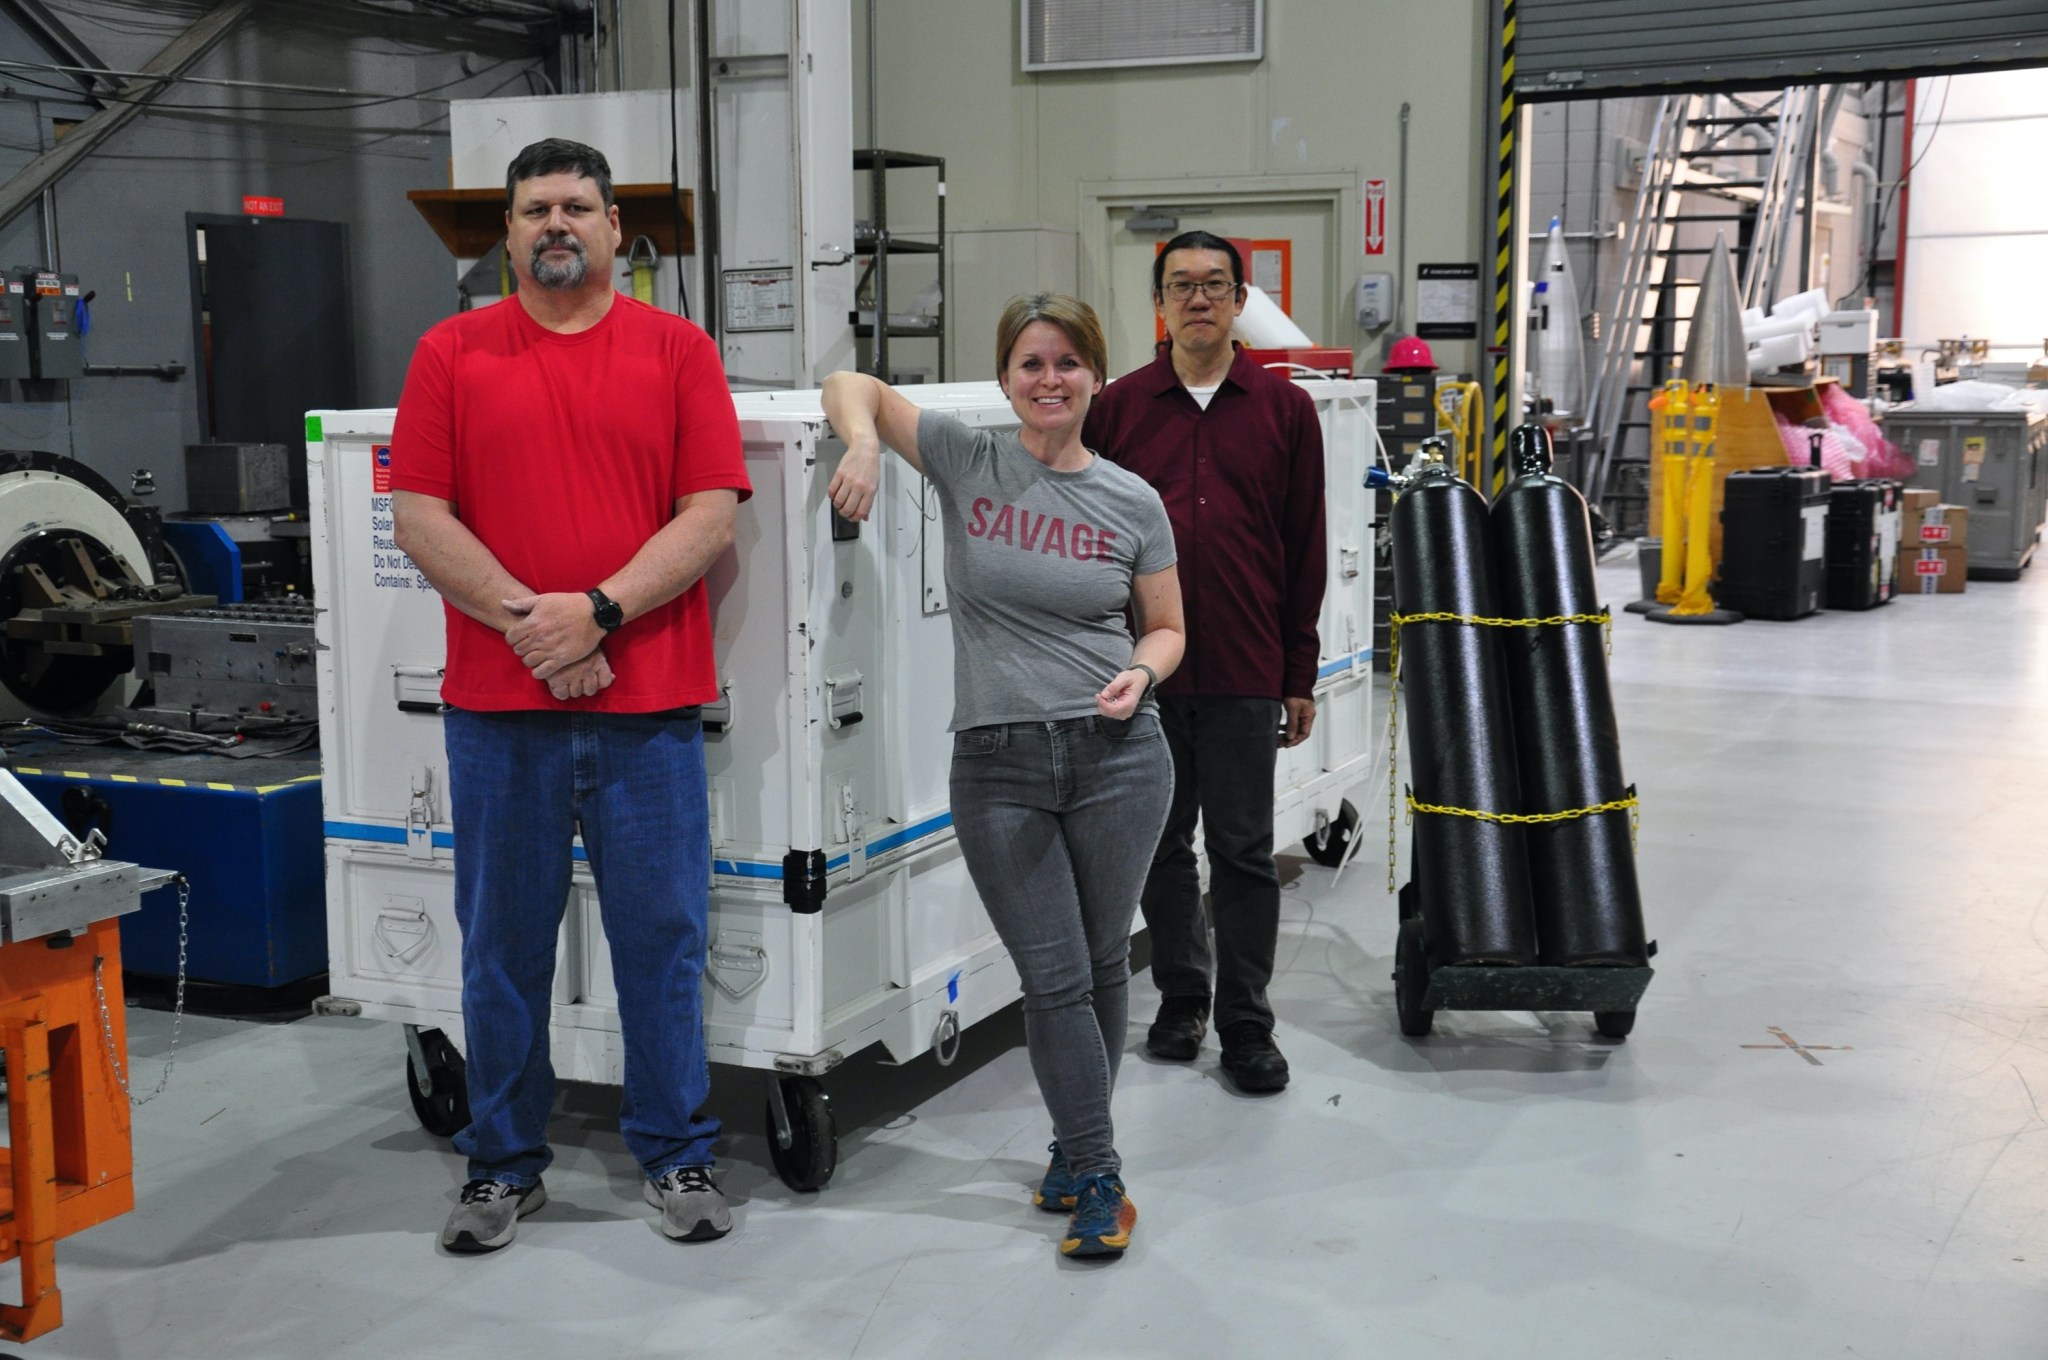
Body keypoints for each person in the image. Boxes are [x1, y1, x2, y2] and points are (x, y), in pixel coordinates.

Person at [390, 138, 750, 1254]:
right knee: (500, 943)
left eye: (578, 206)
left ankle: (676, 1147)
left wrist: (594, 612)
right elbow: (419, 517)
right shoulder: (448, 352)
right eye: (535, 207)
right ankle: (501, 1166)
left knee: (662, 935)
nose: (557, 222)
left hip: (646, 709)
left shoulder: (679, 350)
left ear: (613, 230)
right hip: (500, 715)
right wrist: (536, 629)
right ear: (506, 232)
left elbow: (708, 513)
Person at [821, 293, 1183, 1261]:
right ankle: (1101, 1172)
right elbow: (847, 380)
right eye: (1030, 362)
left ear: (1095, 377)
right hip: (998, 761)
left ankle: (1075, 1154)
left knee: (1101, 963)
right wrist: (859, 445)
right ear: (1005, 379)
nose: (1049, 378)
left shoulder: (1131, 500)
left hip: (1119, 757)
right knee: (1054, 974)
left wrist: (1141, 670)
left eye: (1067, 361)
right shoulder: (964, 458)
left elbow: (1167, 626)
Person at [1082, 230, 1327, 1095]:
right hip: (1144, 671)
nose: (1198, 299)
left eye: (1214, 285)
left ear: (1238, 299)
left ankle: (1247, 1020)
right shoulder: (1117, 408)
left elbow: (1306, 547)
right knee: (1158, 847)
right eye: (1181, 285)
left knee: (1245, 851)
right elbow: (1095, 537)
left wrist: (1300, 671)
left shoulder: (1286, 411)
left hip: (1245, 666)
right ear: (1159, 301)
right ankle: (1182, 998)